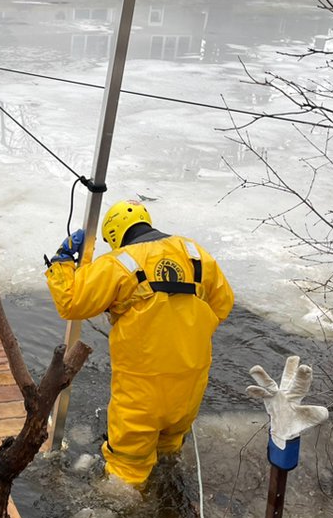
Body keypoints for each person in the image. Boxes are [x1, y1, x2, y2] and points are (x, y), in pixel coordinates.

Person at [44, 200, 234, 489]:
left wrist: (62, 262)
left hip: (141, 390)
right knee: (168, 452)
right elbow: (222, 305)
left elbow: (72, 303)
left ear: (114, 234)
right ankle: (168, 499)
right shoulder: (194, 253)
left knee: (126, 472)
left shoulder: (117, 263)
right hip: (190, 385)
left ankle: (123, 515)